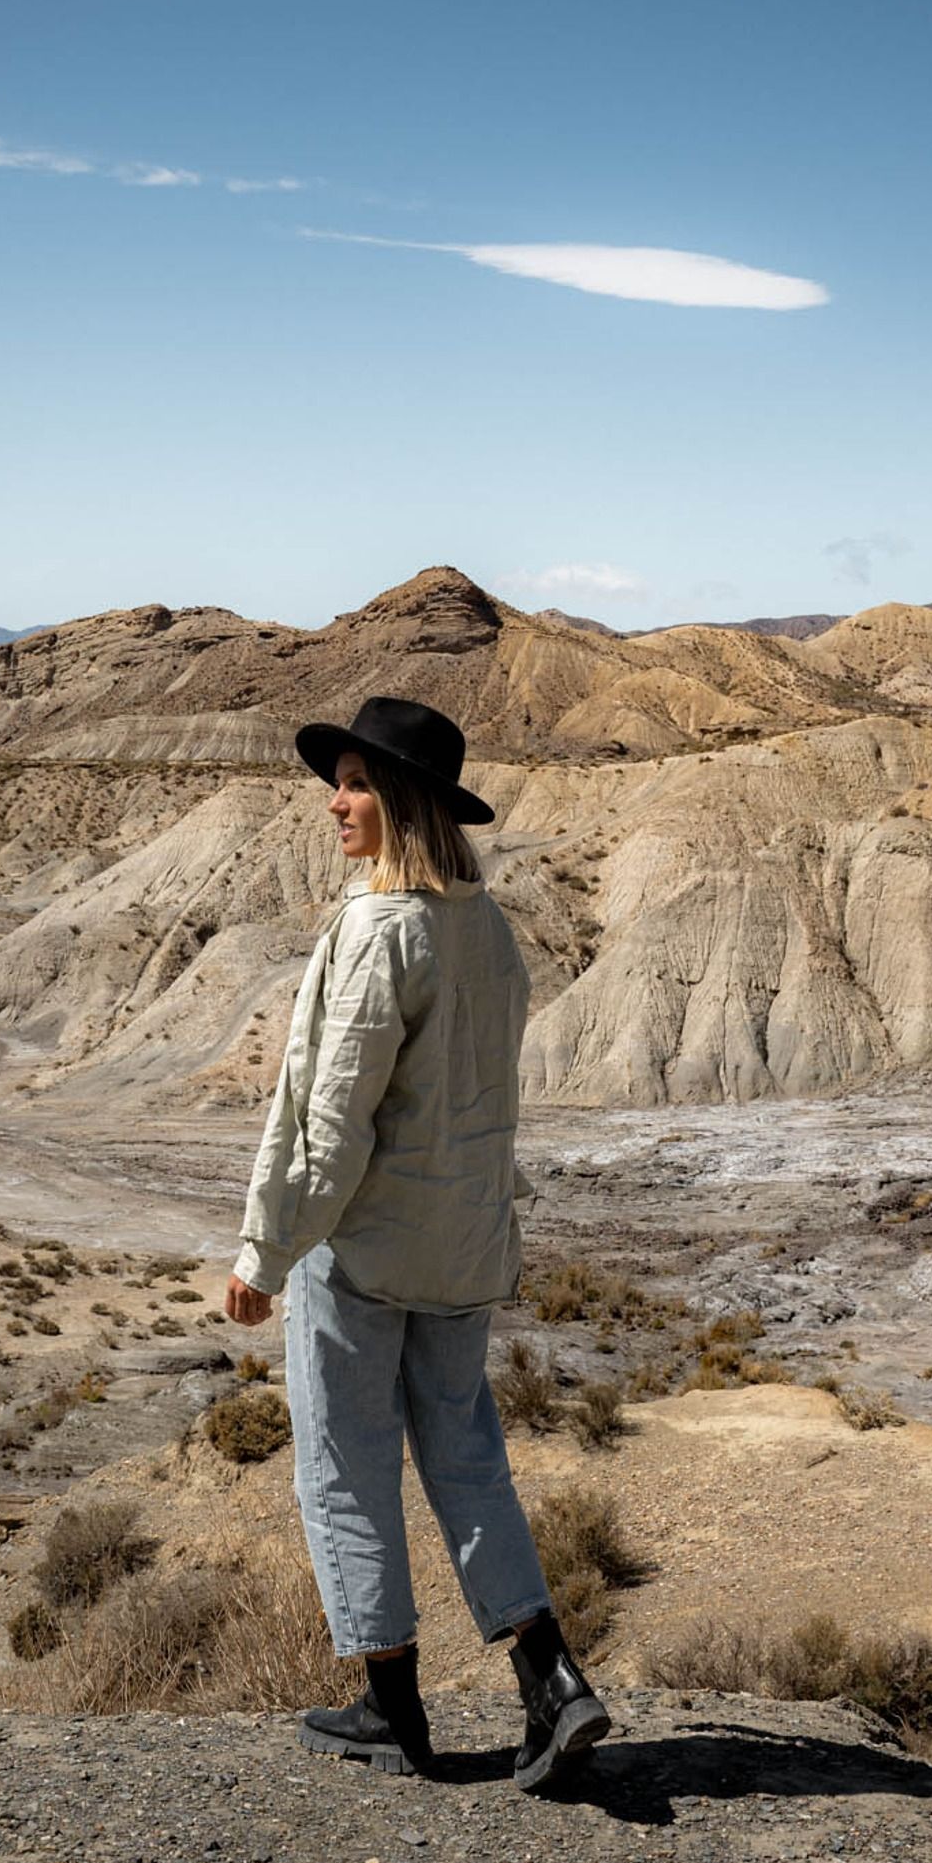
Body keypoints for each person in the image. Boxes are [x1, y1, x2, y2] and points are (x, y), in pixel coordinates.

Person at [222, 695, 608, 1792]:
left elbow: (329, 1114)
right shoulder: (484, 927)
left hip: (368, 1252)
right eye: (334, 783)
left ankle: (392, 1710)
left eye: (351, 784)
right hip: (465, 1245)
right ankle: (553, 1683)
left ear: (399, 803)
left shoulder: (379, 929)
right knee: (464, 1455)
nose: (333, 805)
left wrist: (267, 1250)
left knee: (342, 1470)